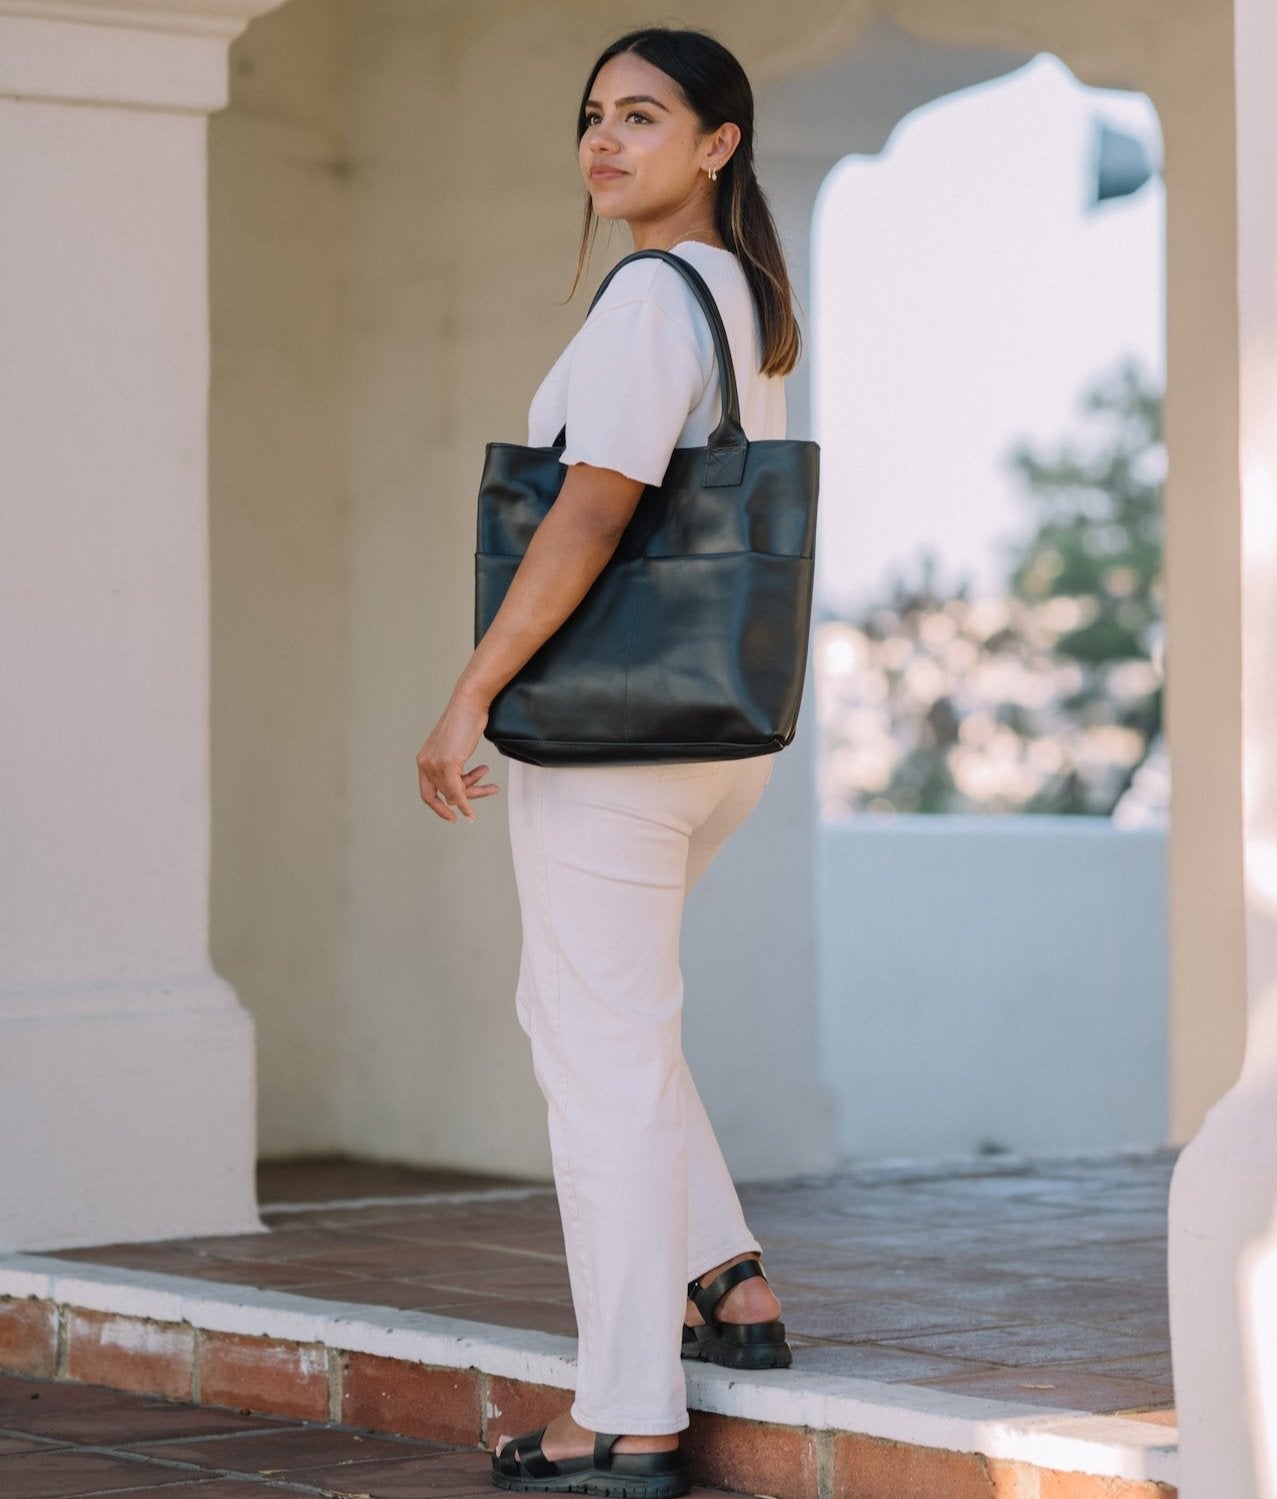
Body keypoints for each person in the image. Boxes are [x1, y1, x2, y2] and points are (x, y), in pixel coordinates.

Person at [415, 25, 803, 1499]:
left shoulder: (651, 296)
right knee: (592, 1016)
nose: (605, 140)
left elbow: (590, 513)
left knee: (598, 1047)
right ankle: (726, 1281)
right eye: (593, 115)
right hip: (713, 736)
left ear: (719, 145)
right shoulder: (744, 300)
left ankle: (627, 1411)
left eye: (644, 116)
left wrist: (470, 694)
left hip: (612, 739)